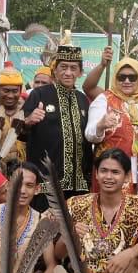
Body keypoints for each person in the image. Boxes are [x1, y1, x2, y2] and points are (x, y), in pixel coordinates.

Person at [22, 35, 92, 199]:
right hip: (45, 185)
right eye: (64, 67)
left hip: (78, 185)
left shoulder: (82, 99)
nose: (68, 72)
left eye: (73, 68)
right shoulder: (39, 94)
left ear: (80, 72)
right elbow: (17, 133)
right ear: (55, 69)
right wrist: (28, 121)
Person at [85, 57, 138, 195]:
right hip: (112, 175)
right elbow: (89, 134)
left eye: (132, 77)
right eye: (122, 77)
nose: (127, 81)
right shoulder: (104, 99)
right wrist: (100, 126)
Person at [0, 162, 54, 273]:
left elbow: (51, 265)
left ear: (37, 189)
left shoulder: (42, 222)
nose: (22, 190)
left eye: (29, 185)